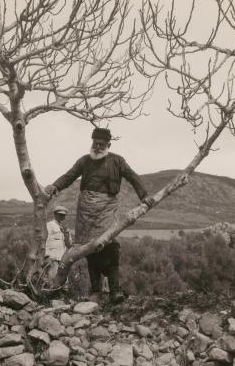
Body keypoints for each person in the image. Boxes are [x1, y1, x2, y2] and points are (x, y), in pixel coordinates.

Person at [40, 127, 155, 303]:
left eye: (102, 144)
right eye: (95, 143)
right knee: (89, 250)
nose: (98, 146)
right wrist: (55, 186)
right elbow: (69, 176)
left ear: (108, 145)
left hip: (107, 210)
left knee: (110, 246)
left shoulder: (118, 161)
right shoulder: (84, 161)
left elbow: (132, 177)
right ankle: (96, 292)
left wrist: (144, 196)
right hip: (85, 212)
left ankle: (115, 290)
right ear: (92, 142)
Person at [44, 205, 72, 286]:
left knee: (63, 280)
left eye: (63, 215)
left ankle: (63, 297)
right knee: (52, 279)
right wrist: (47, 255)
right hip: (53, 257)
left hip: (63, 258)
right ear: (55, 214)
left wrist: (66, 234)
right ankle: (51, 296)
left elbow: (69, 244)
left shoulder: (65, 227)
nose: (62, 216)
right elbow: (45, 240)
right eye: (60, 214)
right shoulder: (49, 225)